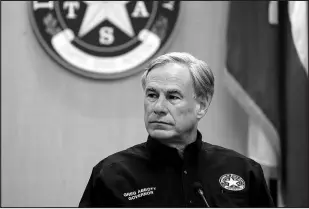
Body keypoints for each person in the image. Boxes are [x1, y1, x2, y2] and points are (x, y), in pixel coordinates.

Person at [79, 52, 275, 207]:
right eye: (152, 95)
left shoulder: (243, 171)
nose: (158, 107)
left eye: (173, 97)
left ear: (201, 106)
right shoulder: (111, 174)